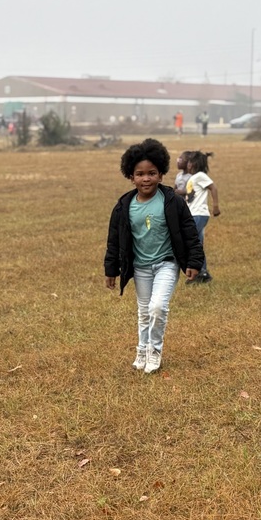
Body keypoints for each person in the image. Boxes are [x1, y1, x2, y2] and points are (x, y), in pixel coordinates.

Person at [104, 138, 203, 374]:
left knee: (158, 307)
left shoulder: (173, 202)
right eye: (139, 174)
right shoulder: (123, 206)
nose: (145, 178)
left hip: (166, 264)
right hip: (140, 267)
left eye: (151, 173)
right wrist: (111, 269)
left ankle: (155, 350)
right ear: (131, 176)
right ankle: (142, 349)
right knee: (144, 311)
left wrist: (194, 262)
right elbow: (114, 240)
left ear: (161, 174)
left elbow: (190, 233)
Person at [185, 150, 220, 283]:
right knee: (197, 244)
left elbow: (213, 188)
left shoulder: (200, 176)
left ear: (194, 163)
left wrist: (215, 206)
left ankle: (200, 272)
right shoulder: (193, 178)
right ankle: (202, 273)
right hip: (193, 214)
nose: (187, 164)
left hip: (199, 214)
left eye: (189, 162)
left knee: (192, 243)